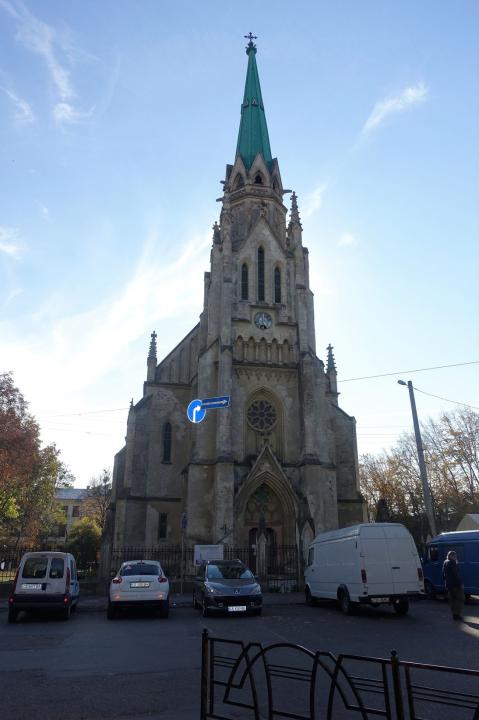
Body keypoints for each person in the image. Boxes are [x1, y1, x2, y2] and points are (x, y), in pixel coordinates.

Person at [442, 550, 464, 621]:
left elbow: (443, 574)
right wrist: (460, 584)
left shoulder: (445, 562)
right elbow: (456, 574)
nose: (456, 557)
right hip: (455, 585)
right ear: (451, 556)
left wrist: (446, 582)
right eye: (455, 556)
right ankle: (457, 614)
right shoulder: (452, 562)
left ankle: (454, 615)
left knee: (452, 600)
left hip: (449, 585)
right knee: (459, 599)